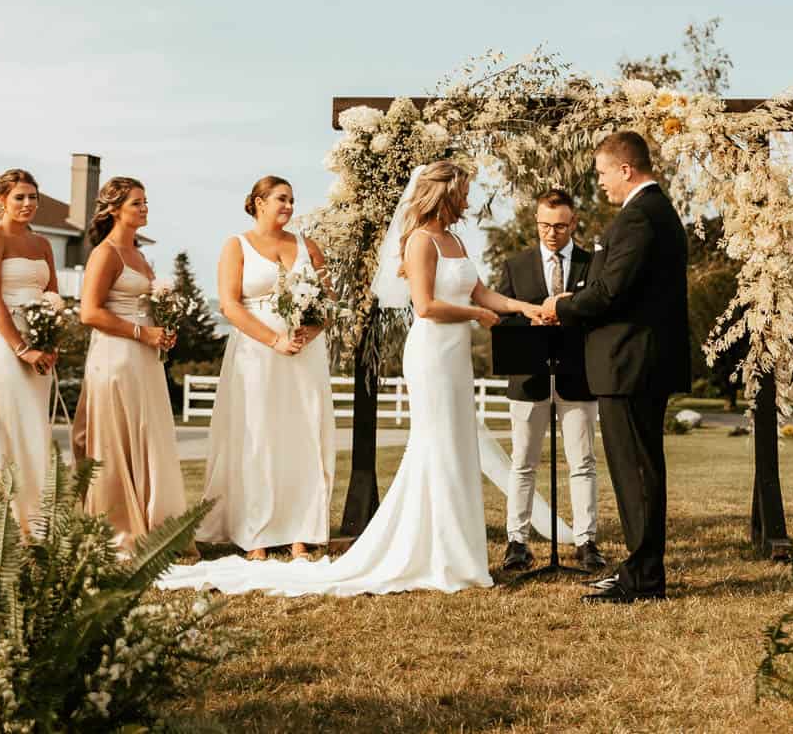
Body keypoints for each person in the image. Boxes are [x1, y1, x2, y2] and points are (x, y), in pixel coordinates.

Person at [159, 162, 543, 596]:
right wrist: (477, 315)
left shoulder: (454, 239)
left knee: (457, 445)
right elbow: (426, 306)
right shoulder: (419, 241)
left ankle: (457, 550)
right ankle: (429, 549)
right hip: (432, 352)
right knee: (435, 444)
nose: (469, 201)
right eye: (463, 192)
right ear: (444, 194)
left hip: (454, 356)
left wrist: (525, 309)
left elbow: (482, 292)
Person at [545, 131, 690, 604]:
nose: (601, 182)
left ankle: (644, 578)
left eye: (604, 172)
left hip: (631, 364)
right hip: (636, 362)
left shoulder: (639, 219)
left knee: (637, 472)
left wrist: (560, 307)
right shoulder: (652, 213)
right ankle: (639, 569)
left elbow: (609, 292)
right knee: (638, 469)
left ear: (626, 169)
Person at [197, 176, 336, 561]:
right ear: (258, 202)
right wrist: (273, 340)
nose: (289, 206)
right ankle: (255, 534)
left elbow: (329, 302)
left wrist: (307, 334)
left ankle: (300, 534)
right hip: (256, 355)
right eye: (281, 199)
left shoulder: (308, 247)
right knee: (258, 437)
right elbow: (229, 305)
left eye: (292, 199)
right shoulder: (236, 245)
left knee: (302, 436)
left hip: (304, 357)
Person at [71, 177, 189, 554]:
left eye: (145, 202)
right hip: (116, 357)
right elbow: (89, 312)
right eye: (137, 203)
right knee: (116, 439)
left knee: (149, 435)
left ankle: (157, 523)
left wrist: (162, 329)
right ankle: (119, 528)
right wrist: (142, 332)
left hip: (144, 358)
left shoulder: (138, 255)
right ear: (114, 210)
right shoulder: (105, 254)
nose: (144, 208)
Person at [492, 188, 604, 572]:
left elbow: (602, 315)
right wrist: (531, 318)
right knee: (523, 462)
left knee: (583, 461)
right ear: (535, 222)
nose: (551, 233)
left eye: (559, 225)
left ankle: (587, 541)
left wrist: (568, 313)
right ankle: (517, 542)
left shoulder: (593, 265)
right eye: (544, 225)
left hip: (578, 376)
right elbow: (502, 318)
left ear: (573, 223)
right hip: (528, 377)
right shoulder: (515, 266)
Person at [0, 169, 60, 537]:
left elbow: (53, 295)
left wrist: (51, 342)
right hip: (3, 344)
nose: (27, 204)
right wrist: (22, 348)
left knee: (33, 429)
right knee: (4, 430)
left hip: (40, 343)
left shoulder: (43, 244)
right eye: (20, 197)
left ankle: (37, 526)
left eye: (33, 197)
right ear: (2, 200)